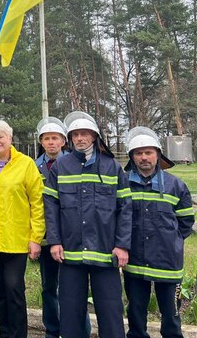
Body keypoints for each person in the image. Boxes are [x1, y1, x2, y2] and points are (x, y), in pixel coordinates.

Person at [43, 111, 131, 338]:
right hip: (70, 253)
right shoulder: (61, 166)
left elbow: (125, 208)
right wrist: (54, 241)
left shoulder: (112, 167)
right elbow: (51, 207)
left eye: (84, 134)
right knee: (70, 314)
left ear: (94, 136)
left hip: (105, 252)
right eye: (75, 135)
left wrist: (122, 245)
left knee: (111, 312)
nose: (80, 138)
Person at [0, 119, 44, 338]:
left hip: (17, 240)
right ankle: (5, 334)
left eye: (0, 137)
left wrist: (36, 237)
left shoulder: (26, 164)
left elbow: (37, 203)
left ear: (10, 138)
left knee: (14, 290)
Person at [123, 127, 194, 338]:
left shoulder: (176, 185)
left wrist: (170, 242)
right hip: (135, 261)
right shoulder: (123, 184)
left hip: (168, 263)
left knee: (171, 314)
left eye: (149, 152)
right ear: (132, 157)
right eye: (138, 153)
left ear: (158, 155)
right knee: (135, 311)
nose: (144, 157)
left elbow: (186, 222)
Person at [34, 117, 91, 338]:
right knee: (49, 286)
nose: (51, 142)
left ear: (63, 141)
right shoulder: (33, 167)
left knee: (75, 289)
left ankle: (79, 331)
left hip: (71, 235)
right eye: (46, 138)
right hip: (46, 236)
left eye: (55, 138)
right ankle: (52, 330)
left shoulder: (75, 163)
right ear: (41, 142)